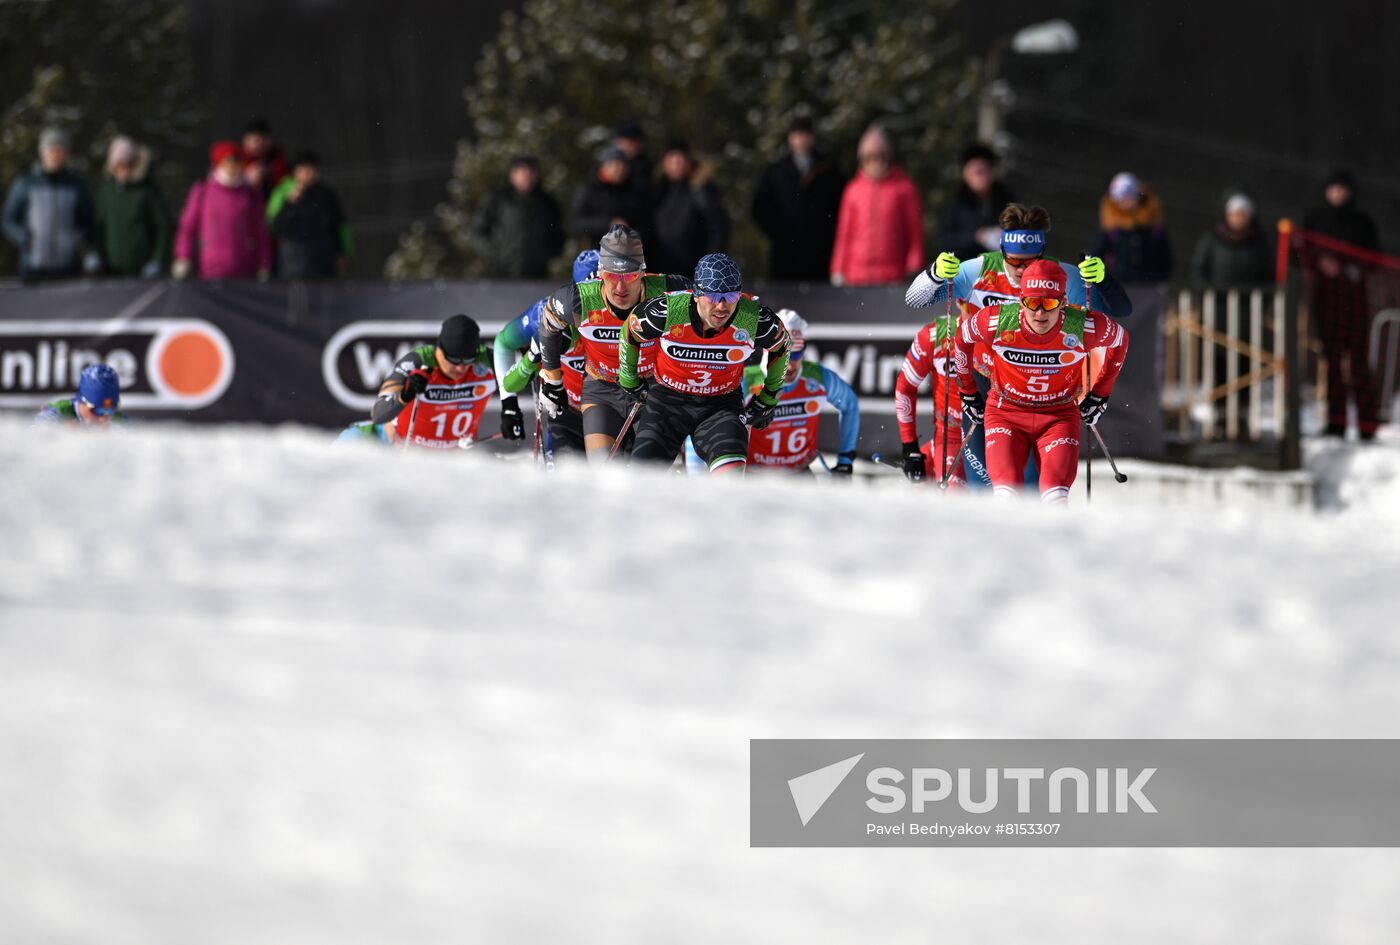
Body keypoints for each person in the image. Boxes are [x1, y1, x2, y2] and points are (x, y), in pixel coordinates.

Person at [904, 203, 1133, 486]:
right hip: (985, 382)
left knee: (1034, 486)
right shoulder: (978, 271)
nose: (1022, 270)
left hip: (1041, 386)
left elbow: (1120, 312)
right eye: (1013, 262)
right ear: (1001, 252)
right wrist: (934, 274)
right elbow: (914, 299)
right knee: (984, 481)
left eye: (1030, 261)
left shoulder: (1058, 276)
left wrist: (1104, 281)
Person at [954, 261, 1130, 504]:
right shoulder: (998, 321)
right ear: (1021, 299)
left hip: (1057, 417)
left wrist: (1101, 393)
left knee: (1055, 496)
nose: (1039, 313)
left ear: (1064, 302)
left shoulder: (1080, 326)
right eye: (1032, 303)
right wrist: (967, 390)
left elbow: (1121, 340)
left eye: (1049, 303)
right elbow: (962, 338)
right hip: (1006, 413)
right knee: (1006, 496)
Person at [618, 252, 791, 474]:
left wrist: (768, 398)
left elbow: (782, 347)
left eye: (730, 297)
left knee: (730, 478)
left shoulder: (754, 319)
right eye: (712, 297)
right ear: (697, 294)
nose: (721, 307)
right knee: (642, 478)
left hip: (720, 406)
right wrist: (629, 379)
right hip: (667, 403)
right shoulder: (668, 311)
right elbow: (630, 332)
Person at [537, 225, 689, 459]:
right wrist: (553, 380)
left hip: (651, 388)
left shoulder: (667, 292)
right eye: (612, 275)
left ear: (642, 272)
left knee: (648, 469)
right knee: (604, 469)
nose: (620, 287)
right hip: (602, 389)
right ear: (600, 273)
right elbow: (548, 325)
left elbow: (718, 306)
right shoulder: (578, 299)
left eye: (629, 275)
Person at [493, 250, 600, 457]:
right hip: (566, 412)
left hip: (612, 410)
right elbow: (503, 343)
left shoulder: (627, 307)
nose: (595, 308)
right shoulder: (547, 314)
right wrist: (509, 404)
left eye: (601, 294)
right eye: (586, 296)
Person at [1302, 169, 1382, 440]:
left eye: (1342, 189)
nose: (1337, 193)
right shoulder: (1315, 220)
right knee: (1332, 363)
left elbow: (1375, 258)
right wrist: (1320, 263)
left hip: (1356, 302)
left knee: (1359, 363)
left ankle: (1367, 425)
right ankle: (1336, 422)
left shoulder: (1362, 223)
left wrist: (1353, 267)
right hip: (1326, 300)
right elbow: (1298, 253)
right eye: (1333, 188)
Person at [744, 309, 859, 474]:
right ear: (765, 352)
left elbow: (850, 404)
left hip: (799, 473)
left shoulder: (818, 377)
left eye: (796, 356)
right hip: (755, 475)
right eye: (783, 358)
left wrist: (845, 460)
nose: (789, 366)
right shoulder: (746, 381)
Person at [369, 314, 498, 449]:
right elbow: (378, 415)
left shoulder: (489, 361)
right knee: (348, 440)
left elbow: (521, 373)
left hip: (455, 459)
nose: (460, 367)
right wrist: (405, 395)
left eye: (467, 360)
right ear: (440, 349)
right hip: (400, 450)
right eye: (454, 360)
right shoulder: (417, 362)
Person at [752, 116, 845, 281]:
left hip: (820, 253)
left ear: (812, 138)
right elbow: (760, 207)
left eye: (805, 135)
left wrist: (827, 233)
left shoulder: (828, 169)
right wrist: (778, 233)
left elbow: (841, 206)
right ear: (790, 139)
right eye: (797, 136)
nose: (801, 140)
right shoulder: (776, 170)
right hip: (785, 251)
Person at [830, 125, 923, 287]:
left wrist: (914, 263)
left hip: (893, 273)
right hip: (856, 274)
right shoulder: (853, 190)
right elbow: (844, 233)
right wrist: (838, 268)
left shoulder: (904, 187)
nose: (875, 163)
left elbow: (914, 230)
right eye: (869, 158)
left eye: (879, 157)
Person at [3, 128, 98, 281]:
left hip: (69, 267)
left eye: (62, 151)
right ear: (43, 153)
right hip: (33, 268)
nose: (57, 155)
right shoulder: (25, 183)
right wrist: (25, 238)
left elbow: (88, 220)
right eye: (53, 150)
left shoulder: (76, 185)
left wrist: (80, 240)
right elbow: (8, 219)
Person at [173, 141, 272, 280]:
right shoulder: (203, 191)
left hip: (245, 270)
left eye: (236, 161)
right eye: (228, 161)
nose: (232, 166)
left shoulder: (250, 194)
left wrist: (264, 264)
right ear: (219, 163)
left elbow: (261, 232)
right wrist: (183, 257)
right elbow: (187, 228)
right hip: (210, 270)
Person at [894, 305, 966, 487]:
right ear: (959, 302)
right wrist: (909, 447)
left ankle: (932, 453)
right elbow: (905, 386)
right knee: (955, 501)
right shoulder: (937, 335)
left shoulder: (1009, 326)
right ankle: (933, 453)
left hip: (999, 432)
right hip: (952, 435)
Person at [469, 155, 563, 278]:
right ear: (512, 175)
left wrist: (545, 255)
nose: (526, 177)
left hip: (537, 275)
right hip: (500, 274)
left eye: (530, 173)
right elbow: (478, 231)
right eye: (522, 172)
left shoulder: (546, 202)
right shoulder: (498, 199)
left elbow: (558, 233)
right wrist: (494, 254)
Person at [93, 136, 172, 278]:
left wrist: (157, 260)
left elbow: (162, 226)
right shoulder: (106, 192)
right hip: (111, 271)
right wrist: (96, 254)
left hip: (142, 271)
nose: (123, 171)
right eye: (119, 165)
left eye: (127, 165)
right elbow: (98, 227)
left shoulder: (147, 191)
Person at [649, 140, 729, 277]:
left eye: (681, 160)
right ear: (664, 163)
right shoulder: (655, 191)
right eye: (672, 160)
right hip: (658, 271)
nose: (677, 165)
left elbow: (719, 228)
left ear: (689, 163)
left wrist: (710, 265)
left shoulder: (701, 190)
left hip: (693, 271)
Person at [267, 151, 352, 278]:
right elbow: (275, 226)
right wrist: (290, 204)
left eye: (313, 169)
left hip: (323, 262)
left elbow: (338, 226)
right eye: (305, 170)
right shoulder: (283, 192)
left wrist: (342, 252)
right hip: (294, 264)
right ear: (295, 172)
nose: (309, 174)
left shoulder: (326, 195)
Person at [937, 144, 1016, 262]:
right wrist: (976, 237)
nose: (979, 177)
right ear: (965, 175)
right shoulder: (956, 206)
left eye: (982, 171)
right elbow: (945, 243)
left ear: (991, 173)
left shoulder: (1008, 202)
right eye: (974, 172)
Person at [1090, 172, 1172, 284]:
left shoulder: (1153, 228)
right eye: (1122, 197)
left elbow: (1166, 257)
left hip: (1150, 287)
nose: (1127, 202)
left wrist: (1158, 277)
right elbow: (1096, 255)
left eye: (1130, 196)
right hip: (1118, 287)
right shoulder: (1110, 229)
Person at [569, 147, 650, 249]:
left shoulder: (634, 190)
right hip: (594, 253)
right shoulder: (589, 189)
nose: (619, 170)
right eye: (615, 165)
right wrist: (608, 224)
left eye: (623, 166)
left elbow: (644, 222)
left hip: (626, 254)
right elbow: (577, 223)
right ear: (604, 166)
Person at [1190, 192, 1272, 287]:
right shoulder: (1212, 238)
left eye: (1241, 215)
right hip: (1215, 299)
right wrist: (1204, 289)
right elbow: (1198, 268)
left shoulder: (1259, 241)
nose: (1237, 219)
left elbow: (1267, 272)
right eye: (1234, 214)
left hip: (1250, 299)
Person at [35, 363, 126, 425]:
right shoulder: (58, 413)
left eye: (110, 410)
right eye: (99, 411)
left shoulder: (119, 422)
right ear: (82, 401)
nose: (104, 419)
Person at [239, 117, 288, 202]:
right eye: (255, 141)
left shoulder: (277, 159)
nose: (258, 145)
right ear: (245, 141)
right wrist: (245, 178)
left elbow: (284, 183)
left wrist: (269, 173)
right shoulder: (237, 159)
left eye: (262, 140)